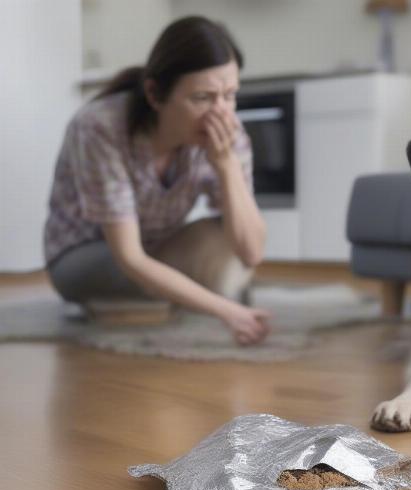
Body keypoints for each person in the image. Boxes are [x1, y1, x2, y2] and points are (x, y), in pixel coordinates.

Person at [43, 16, 270, 346]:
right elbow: (130, 258)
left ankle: (170, 294)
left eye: (230, 94)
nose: (220, 113)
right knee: (209, 280)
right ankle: (173, 295)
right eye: (202, 97)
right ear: (154, 93)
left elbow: (251, 252)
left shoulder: (228, 133)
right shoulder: (99, 127)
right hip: (88, 257)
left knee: (228, 245)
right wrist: (228, 311)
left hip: (157, 247)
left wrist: (226, 167)